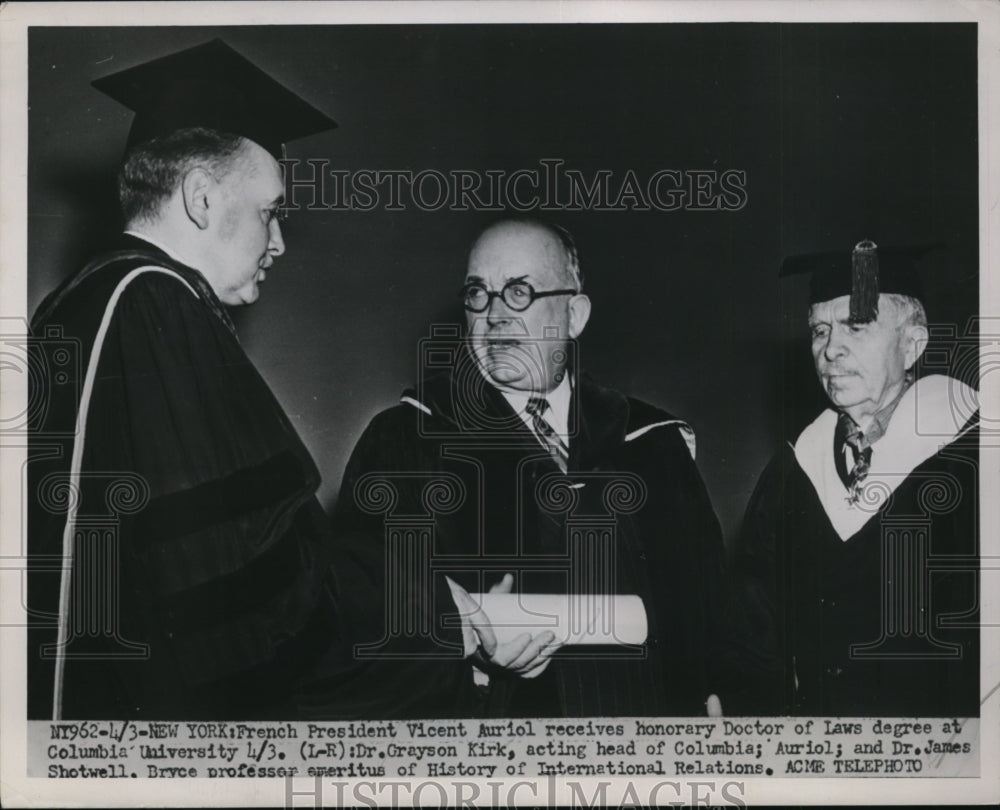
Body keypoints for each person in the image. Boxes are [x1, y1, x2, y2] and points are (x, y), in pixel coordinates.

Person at [27, 39, 342, 719]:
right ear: (201, 198)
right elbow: (237, 581)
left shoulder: (76, 302)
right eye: (270, 211)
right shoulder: (154, 306)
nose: (280, 242)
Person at [311, 218, 727, 718]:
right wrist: (463, 646)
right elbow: (355, 613)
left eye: (519, 292)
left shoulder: (651, 441)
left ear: (574, 314)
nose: (494, 316)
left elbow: (707, 606)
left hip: (644, 742)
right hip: (493, 743)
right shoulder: (405, 441)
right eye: (478, 294)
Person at [731, 240, 979, 716]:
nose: (830, 350)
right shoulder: (794, 467)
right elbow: (756, 633)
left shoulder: (971, 457)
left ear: (913, 345)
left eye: (856, 326)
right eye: (819, 330)